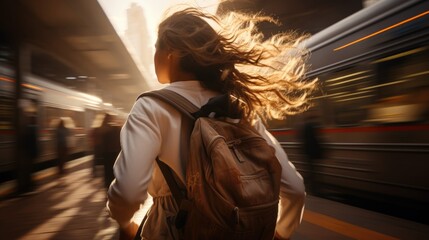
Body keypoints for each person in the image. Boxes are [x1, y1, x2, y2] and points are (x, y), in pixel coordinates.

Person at [107, 7, 316, 240]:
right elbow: (295, 190)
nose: (153, 54)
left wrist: (125, 224)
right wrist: (280, 233)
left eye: (157, 47)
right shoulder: (238, 109)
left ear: (171, 52)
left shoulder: (150, 108)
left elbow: (127, 193)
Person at [301, 113, 324, 195]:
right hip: (313, 152)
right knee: (313, 170)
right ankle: (314, 189)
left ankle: (312, 188)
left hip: (308, 152)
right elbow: (316, 139)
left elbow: (303, 139)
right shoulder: (313, 125)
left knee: (311, 170)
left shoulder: (305, 126)